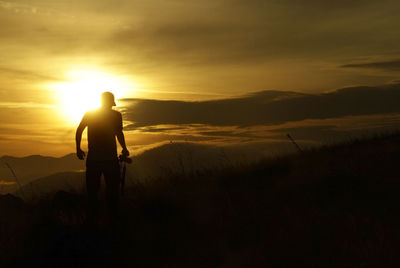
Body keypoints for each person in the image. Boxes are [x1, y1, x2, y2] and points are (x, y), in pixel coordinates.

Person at [75, 91, 129, 226]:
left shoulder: (91, 114)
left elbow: (79, 129)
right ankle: (112, 220)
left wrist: (78, 148)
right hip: (109, 159)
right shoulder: (116, 115)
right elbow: (119, 133)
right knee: (112, 191)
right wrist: (124, 148)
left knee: (93, 191)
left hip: (95, 159)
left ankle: (93, 221)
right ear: (111, 102)